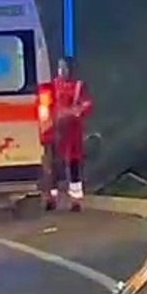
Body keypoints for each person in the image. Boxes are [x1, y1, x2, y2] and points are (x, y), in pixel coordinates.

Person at [39, 56, 93, 211]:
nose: (62, 71)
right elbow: (44, 106)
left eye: (65, 67)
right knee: (52, 165)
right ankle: (51, 198)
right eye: (60, 67)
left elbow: (86, 105)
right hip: (53, 131)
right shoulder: (52, 86)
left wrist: (71, 112)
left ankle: (76, 200)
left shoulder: (78, 86)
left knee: (73, 165)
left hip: (72, 132)